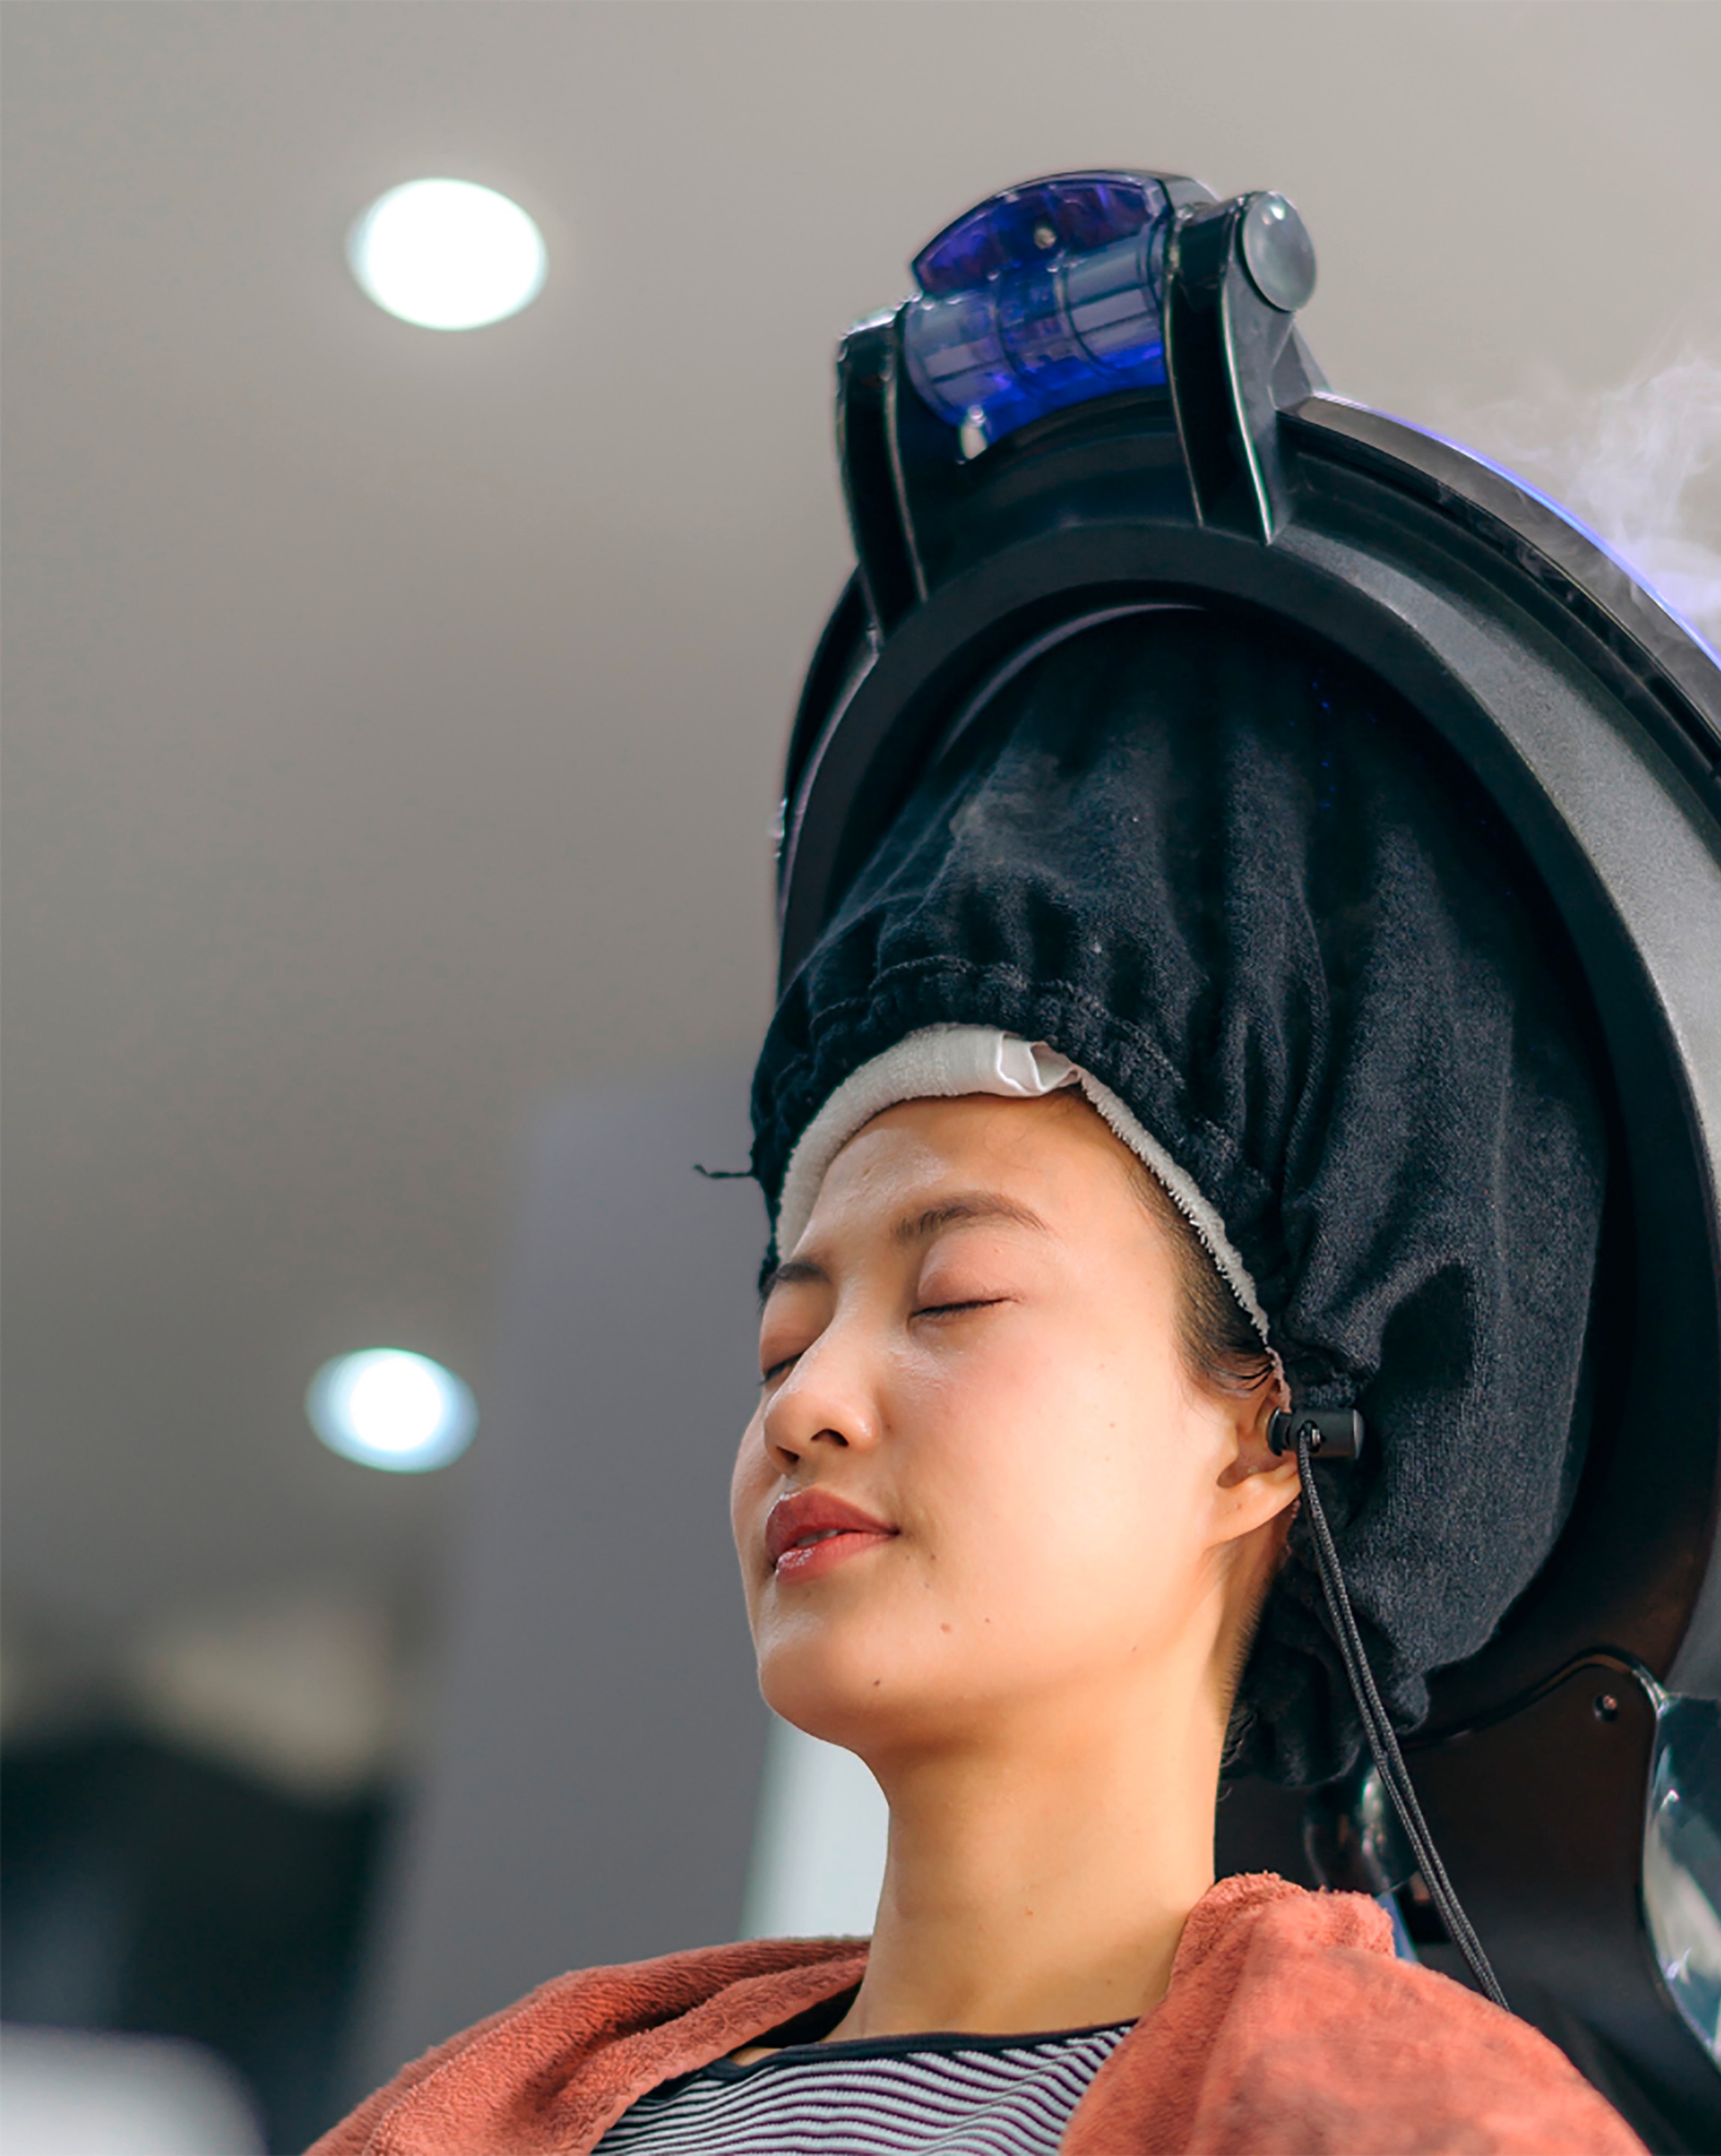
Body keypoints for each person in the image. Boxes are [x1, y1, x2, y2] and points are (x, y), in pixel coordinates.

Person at [313, 615, 1644, 2155]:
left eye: (955, 1297)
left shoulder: (1410, 2128)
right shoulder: (490, 2119)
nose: (806, 1406)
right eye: (782, 1341)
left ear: (1265, 1436)